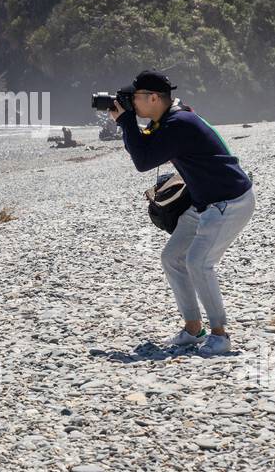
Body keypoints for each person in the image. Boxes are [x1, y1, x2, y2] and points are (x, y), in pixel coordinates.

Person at [109, 70, 254, 354]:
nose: (131, 103)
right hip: (203, 201)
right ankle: (193, 328)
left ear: (153, 98)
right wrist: (127, 123)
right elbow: (143, 149)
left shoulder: (179, 123)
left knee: (198, 263)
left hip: (229, 202)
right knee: (173, 258)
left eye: (135, 98)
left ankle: (220, 335)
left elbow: (143, 161)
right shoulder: (169, 119)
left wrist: (126, 121)